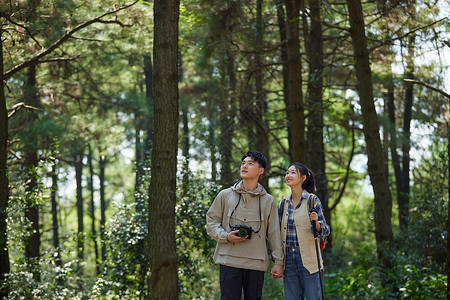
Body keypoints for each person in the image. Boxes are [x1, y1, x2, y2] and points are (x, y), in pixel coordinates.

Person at [206, 151, 284, 300]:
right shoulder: (225, 195)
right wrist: (226, 236)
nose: (245, 166)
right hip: (229, 260)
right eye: (243, 163)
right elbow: (211, 222)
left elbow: (274, 233)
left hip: (256, 263)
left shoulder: (268, 201)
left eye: (250, 164)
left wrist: (278, 262)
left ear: (261, 171)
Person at [277, 162, 330, 299]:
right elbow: (278, 235)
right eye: (287, 172)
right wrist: (278, 261)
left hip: (309, 258)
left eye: (293, 172)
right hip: (288, 258)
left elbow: (325, 230)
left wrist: (317, 223)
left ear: (303, 178)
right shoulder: (283, 204)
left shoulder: (312, 200)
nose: (288, 175)